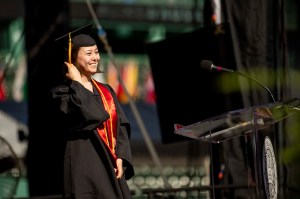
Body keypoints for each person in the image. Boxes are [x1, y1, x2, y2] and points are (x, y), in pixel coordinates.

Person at [49, 24, 135, 199]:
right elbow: (93, 114)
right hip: (83, 170)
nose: (95, 58)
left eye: (96, 52)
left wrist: (121, 156)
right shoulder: (61, 93)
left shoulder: (106, 90)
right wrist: (77, 84)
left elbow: (121, 126)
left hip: (110, 166)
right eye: (89, 53)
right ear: (72, 58)